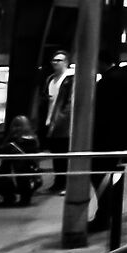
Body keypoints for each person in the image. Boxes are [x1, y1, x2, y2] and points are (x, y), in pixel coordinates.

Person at [91, 58, 127, 231]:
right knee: (111, 175)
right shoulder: (126, 80)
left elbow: (99, 112)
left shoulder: (107, 82)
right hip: (120, 137)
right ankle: (110, 214)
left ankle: (104, 216)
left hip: (104, 138)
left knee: (99, 175)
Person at [0, 114, 44, 206]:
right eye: (14, 126)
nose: (16, 129)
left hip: (27, 177)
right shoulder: (9, 141)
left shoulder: (30, 141)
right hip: (14, 176)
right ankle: (9, 195)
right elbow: (4, 165)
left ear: (25, 127)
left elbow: (30, 161)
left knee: (21, 176)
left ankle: (22, 196)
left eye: (19, 126)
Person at [39, 50, 75, 193]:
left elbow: (70, 103)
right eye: (53, 60)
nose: (55, 63)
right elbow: (44, 100)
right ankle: (58, 183)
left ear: (66, 62)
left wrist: (61, 119)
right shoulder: (50, 79)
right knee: (56, 155)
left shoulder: (70, 79)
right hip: (50, 121)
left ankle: (64, 184)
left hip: (63, 124)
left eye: (58, 60)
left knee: (63, 154)